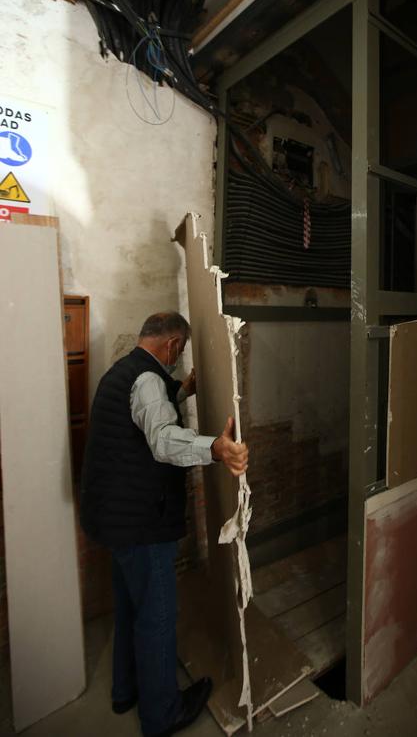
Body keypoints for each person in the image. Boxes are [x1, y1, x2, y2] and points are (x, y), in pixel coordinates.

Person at [80, 311, 248, 737]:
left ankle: (124, 692)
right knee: (156, 617)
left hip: (110, 522)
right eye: (182, 351)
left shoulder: (121, 373)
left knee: (129, 608)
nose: (180, 358)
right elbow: (161, 439)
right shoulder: (149, 381)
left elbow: (145, 413)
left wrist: (183, 391)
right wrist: (216, 448)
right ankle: (161, 716)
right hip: (141, 525)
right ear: (172, 346)